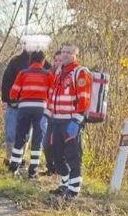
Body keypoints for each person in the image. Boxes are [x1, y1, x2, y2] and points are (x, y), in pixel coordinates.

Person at [43, 43, 93, 198]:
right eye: (63, 52)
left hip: (70, 121)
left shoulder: (79, 73)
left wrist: (77, 121)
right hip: (55, 120)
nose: (64, 55)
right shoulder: (59, 72)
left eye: (68, 52)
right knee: (55, 154)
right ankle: (64, 184)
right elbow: (51, 96)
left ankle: (74, 189)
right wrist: (46, 115)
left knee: (72, 155)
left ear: (75, 55)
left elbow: (84, 98)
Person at [7, 50, 51, 178]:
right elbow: (52, 91)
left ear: (30, 60)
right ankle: (33, 170)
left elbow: (13, 93)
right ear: (43, 61)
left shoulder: (23, 73)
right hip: (40, 109)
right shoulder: (47, 75)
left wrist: (17, 101)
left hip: (24, 108)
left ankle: (14, 165)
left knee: (20, 137)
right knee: (37, 139)